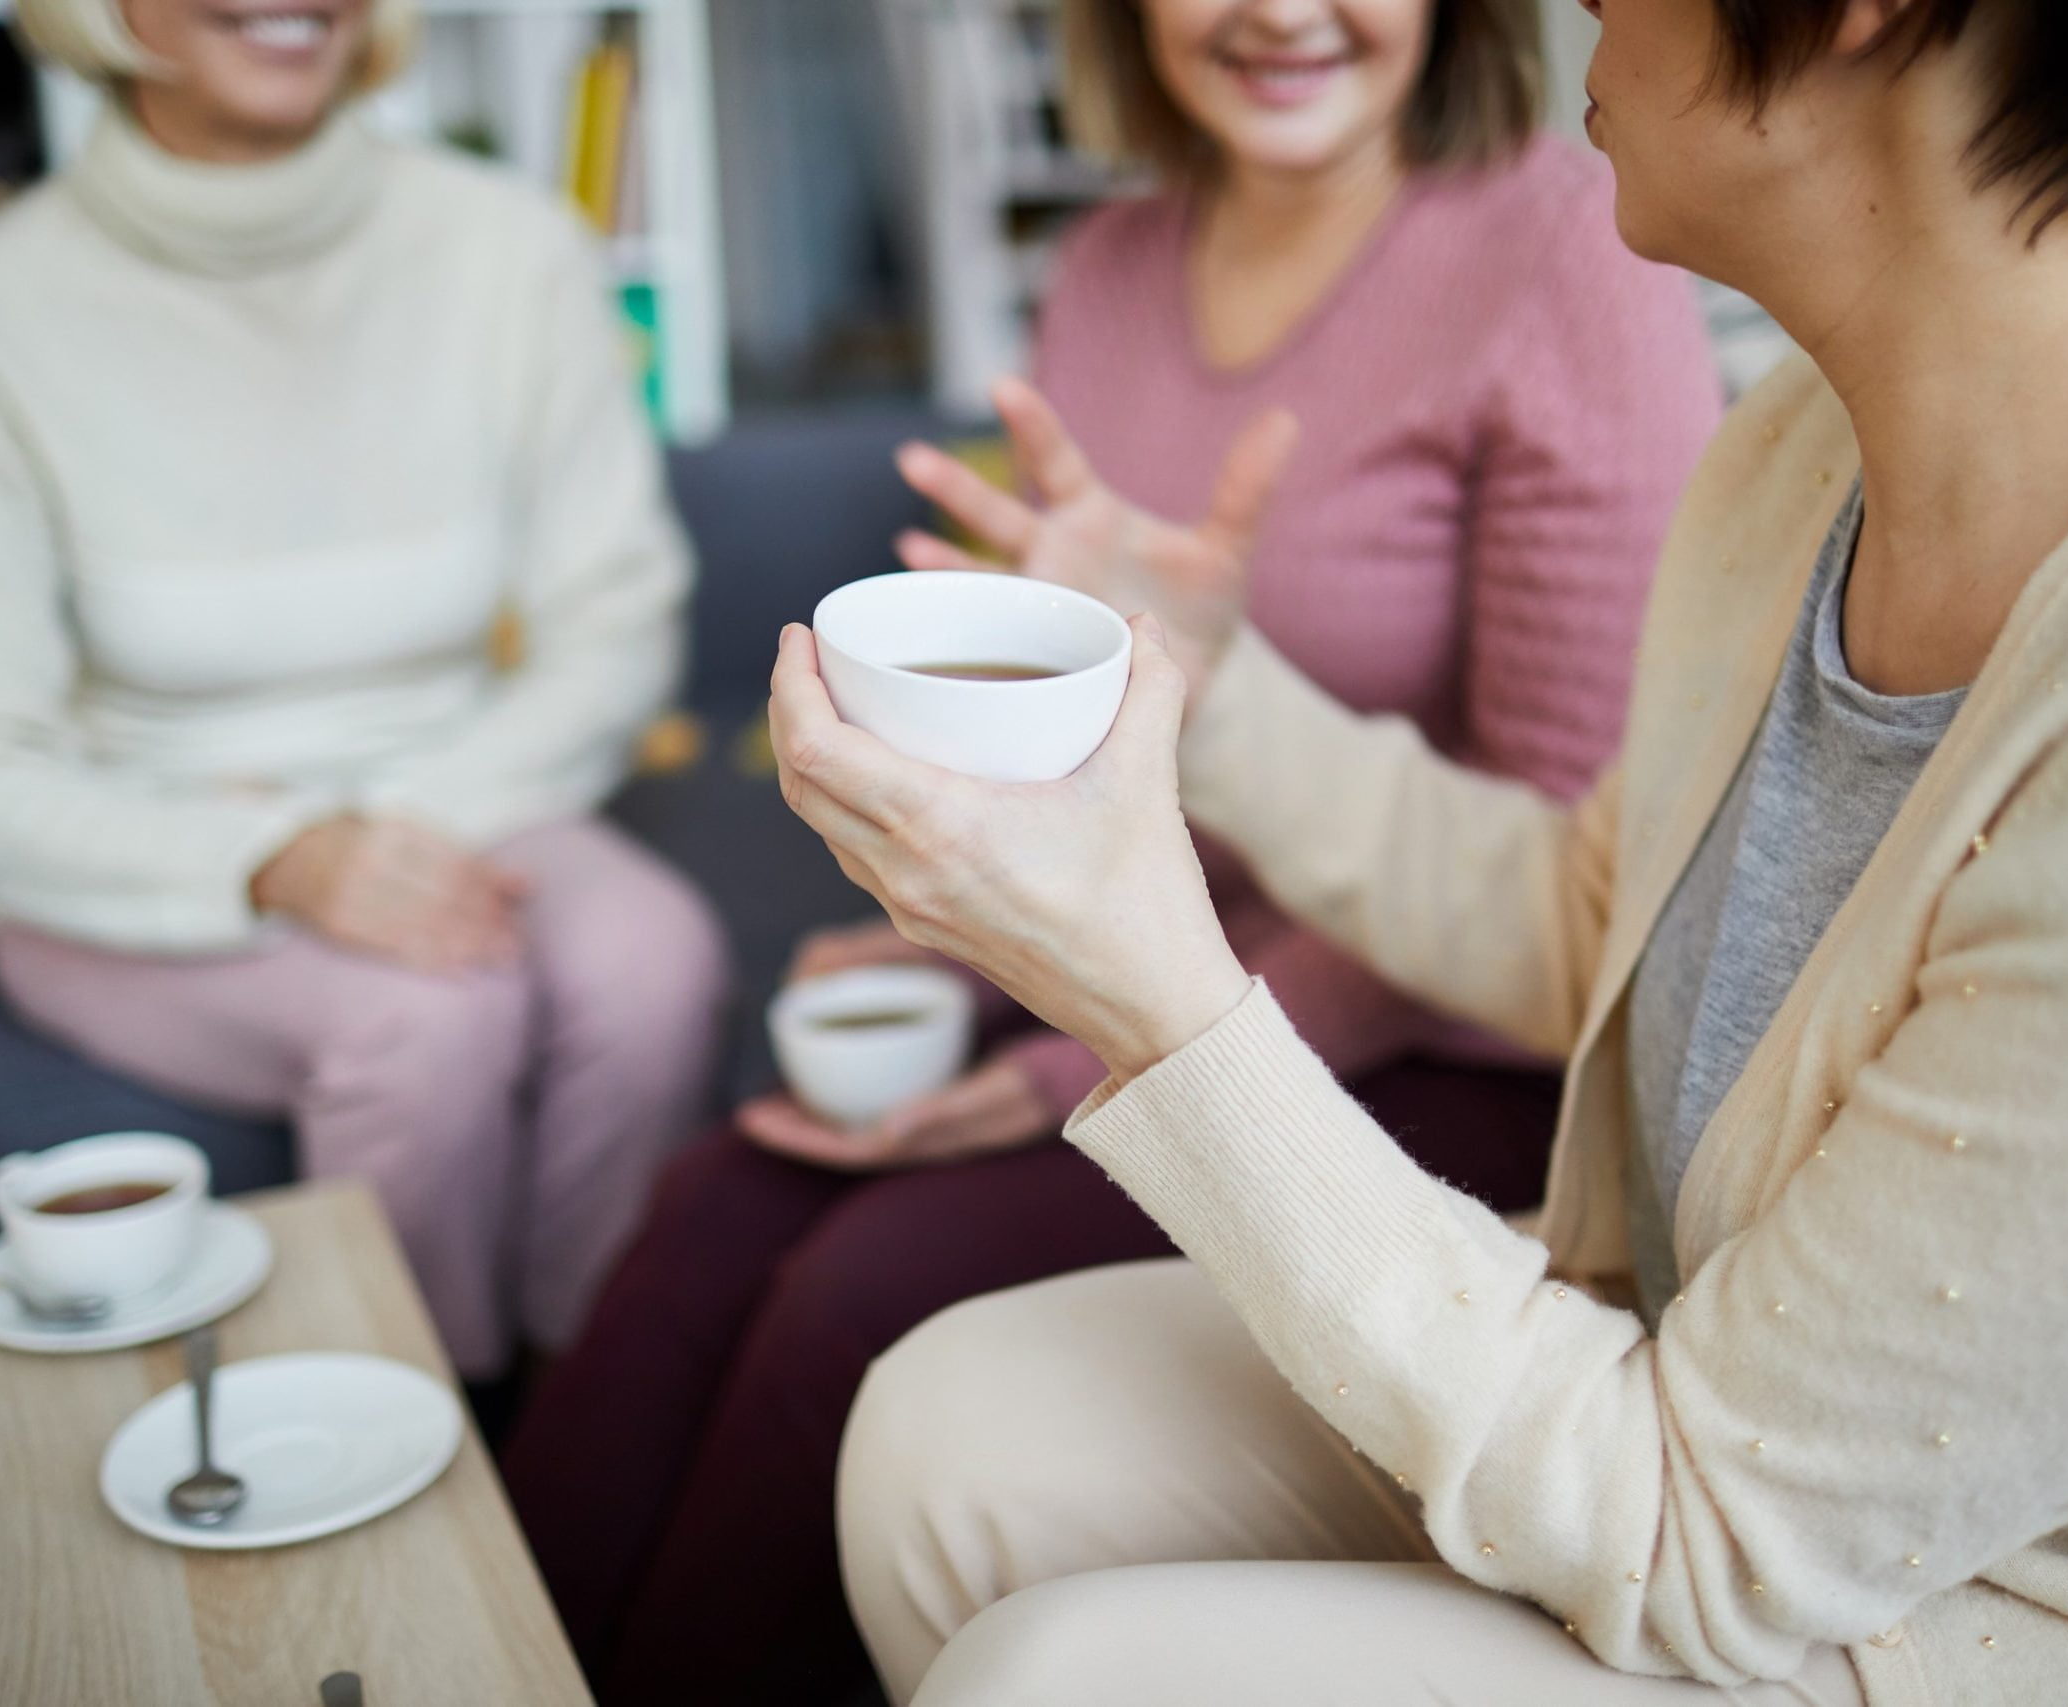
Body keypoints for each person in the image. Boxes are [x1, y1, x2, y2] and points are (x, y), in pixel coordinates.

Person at [781, 0, 2068, 1701]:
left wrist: (1154, 995)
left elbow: (1716, 1532)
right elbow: (1597, 922)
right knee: (953, 1422)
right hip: (1708, 1374)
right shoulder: (1811, 441)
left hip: (2026, 1602)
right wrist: (1218, 687)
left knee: (1063, 1676)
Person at [500, 0, 1720, 1698]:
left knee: (856, 1300)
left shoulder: (1568, 246)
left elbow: (1566, 854)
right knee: (717, 1197)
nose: (1281, 11)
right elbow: (1096, 732)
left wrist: (1068, 1025)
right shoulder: (1114, 262)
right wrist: (974, 955)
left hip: (1441, 1053)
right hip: (1137, 970)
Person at [0, 0, 728, 1380]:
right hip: (137, 841)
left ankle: (591, 1404)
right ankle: (417, 1434)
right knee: (431, 1018)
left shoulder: (513, 252)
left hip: (466, 786)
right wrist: (277, 858)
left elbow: (617, 625)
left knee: (653, 960)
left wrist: (381, 835)